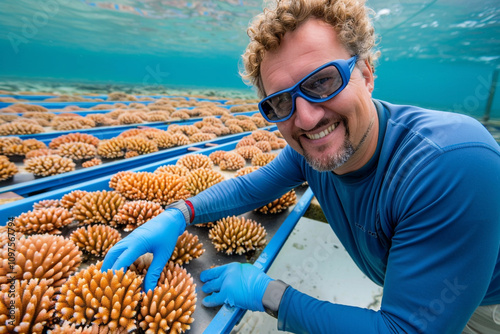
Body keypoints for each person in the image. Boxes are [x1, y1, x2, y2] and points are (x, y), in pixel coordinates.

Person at [102, 0, 500, 332]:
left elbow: (404, 330)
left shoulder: (453, 163)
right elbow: (250, 188)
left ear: (365, 74)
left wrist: (269, 294)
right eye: (280, 103)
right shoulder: (308, 153)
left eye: (323, 82)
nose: (306, 119)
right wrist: (178, 214)